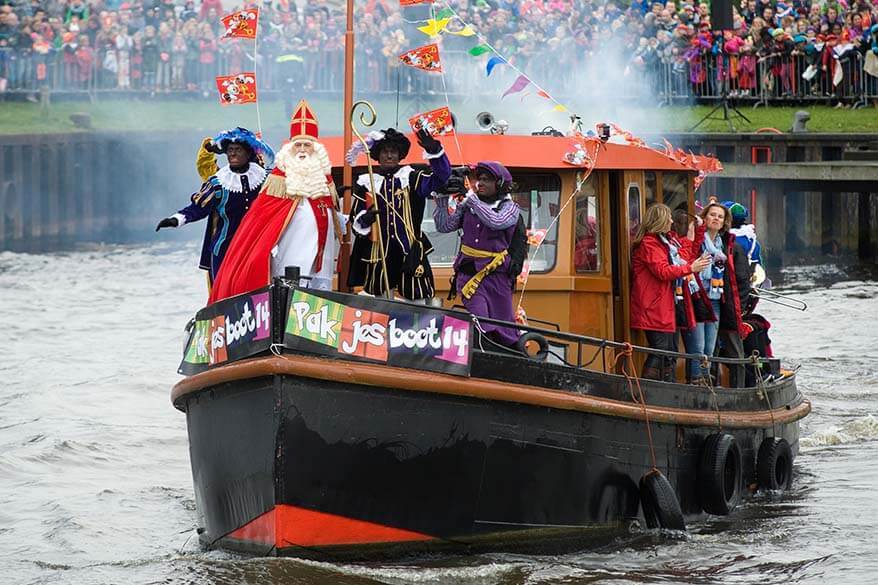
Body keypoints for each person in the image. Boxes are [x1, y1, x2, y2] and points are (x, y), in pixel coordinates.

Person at [208, 99, 342, 303]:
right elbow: (259, 222)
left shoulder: (325, 179)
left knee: (320, 291)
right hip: (292, 255)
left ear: (316, 148)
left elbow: (332, 217)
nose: (303, 150)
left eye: (308, 145)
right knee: (292, 290)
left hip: (321, 257)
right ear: (290, 147)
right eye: (299, 145)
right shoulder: (278, 180)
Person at [155, 127, 273, 284]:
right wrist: (176, 219)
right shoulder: (218, 182)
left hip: (256, 245)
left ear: (248, 153)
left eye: (237, 150)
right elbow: (198, 208)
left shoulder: (265, 179)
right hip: (224, 249)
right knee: (225, 288)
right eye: (229, 150)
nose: (232, 154)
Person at [347, 127, 451, 301]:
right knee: (378, 301)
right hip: (379, 251)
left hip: (410, 249)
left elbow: (442, 177)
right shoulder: (367, 182)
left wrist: (434, 151)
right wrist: (365, 219)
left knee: (417, 299)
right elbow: (355, 218)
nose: (389, 156)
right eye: (385, 152)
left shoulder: (411, 177)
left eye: (393, 152)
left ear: (400, 155)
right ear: (377, 156)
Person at [433, 161, 525, 348]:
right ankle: (482, 353)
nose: (479, 183)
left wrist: (470, 197)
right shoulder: (469, 205)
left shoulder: (510, 208)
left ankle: (510, 353)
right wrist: (442, 198)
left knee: (503, 322)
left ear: (499, 184)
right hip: (470, 274)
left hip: (497, 275)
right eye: (479, 179)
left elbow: (496, 221)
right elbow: (444, 226)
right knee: (480, 319)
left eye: (487, 180)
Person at [631, 203, 711, 381]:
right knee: (659, 352)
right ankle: (649, 390)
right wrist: (691, 267)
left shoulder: (664, 242)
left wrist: (697, 234)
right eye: (668, 217)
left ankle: (667, 388)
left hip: (665, 305)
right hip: (654, 306)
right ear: (659, 221)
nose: (672, 221)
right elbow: (663, 271)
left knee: (669, 352)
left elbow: (682, 254)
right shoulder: (649, 244)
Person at [699, 201, 753, 387]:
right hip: (702, 299)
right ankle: (709, 385)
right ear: (704, 217)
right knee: (707, 347)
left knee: (733, 348)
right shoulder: (697, 243)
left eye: (720, 217)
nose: (716, 219)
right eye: (712, 215)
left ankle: (738, 390)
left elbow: (743, 280)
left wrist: (740, 306)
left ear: (725, 223)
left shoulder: (732, 248)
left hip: (726, 303)